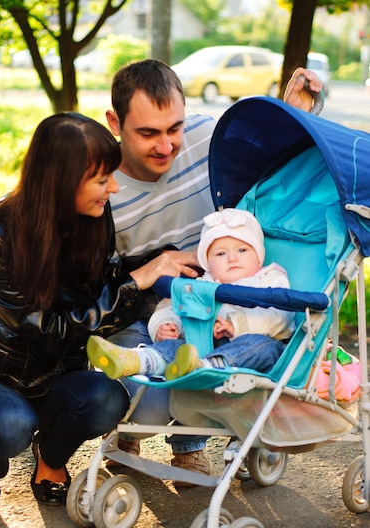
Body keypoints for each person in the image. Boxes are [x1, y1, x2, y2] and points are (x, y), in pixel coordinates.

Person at [0, 112, 189, 519]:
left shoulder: (93, 217)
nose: (113, 188)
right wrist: (136, 282)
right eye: (101, 180)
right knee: (10, 423)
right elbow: (48, 331)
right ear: (61, 185)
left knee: (108, 398)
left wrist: (160, 262)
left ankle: (51, 455)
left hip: (60, 374)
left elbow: (101, 279)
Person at [102, 59, 323, 478]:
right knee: (151, 396)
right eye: (148, 132)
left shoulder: (205, 136)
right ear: (115, 122)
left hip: (212, 294)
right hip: (146, 306)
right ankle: (129, 429)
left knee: (201, 363)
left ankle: (190, 442)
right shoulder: (104, 186)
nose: (166, 145)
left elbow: (273, 166)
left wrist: (294, 108)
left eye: (174, 128)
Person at [88, 208, 295, 381]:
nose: (232, 258)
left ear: (259, 256)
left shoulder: (270, 278)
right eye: (221, 253)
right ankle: (139, 360)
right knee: (177, 347)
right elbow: (170, 307)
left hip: (255, 350)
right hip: (201, 347)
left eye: (242, 250)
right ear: (207, 262)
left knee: (261, 347)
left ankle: (205, 366)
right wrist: (166, 326)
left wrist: (236, 326)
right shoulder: (201, 284)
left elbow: (280, 317)